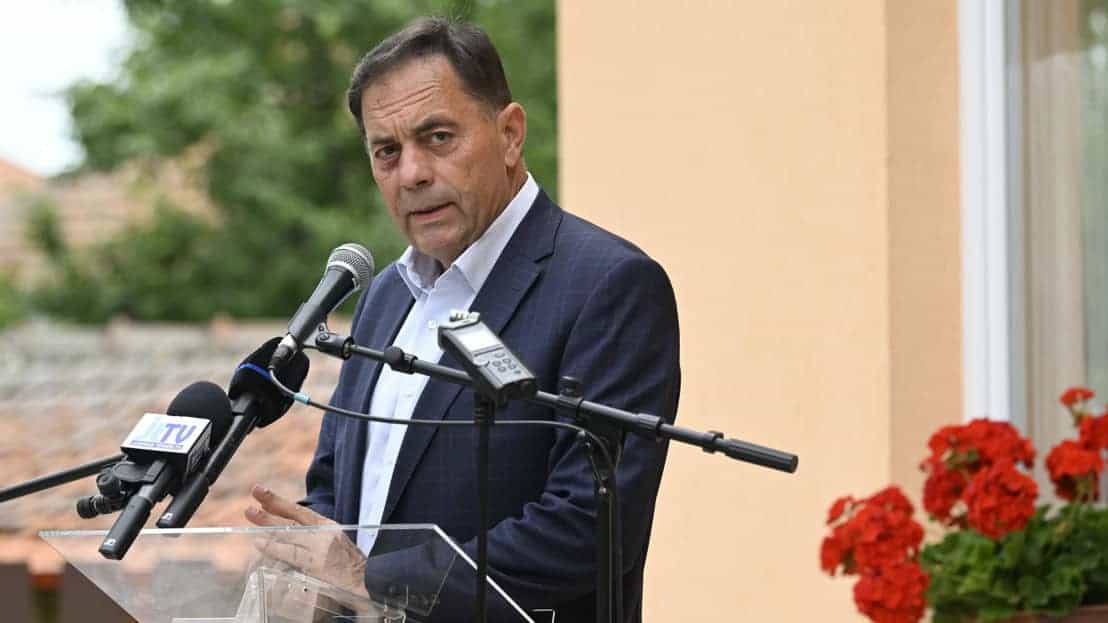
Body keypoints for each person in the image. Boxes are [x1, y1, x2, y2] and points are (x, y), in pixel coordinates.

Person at [245, 17, 680, 623]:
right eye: (387, 152)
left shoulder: (608, 286)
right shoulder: (386, 295)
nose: (412, 173)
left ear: (510, 134)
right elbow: (337, 488)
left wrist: (371, 579)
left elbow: (588, 527)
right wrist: (301, 565)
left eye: (438, 137)